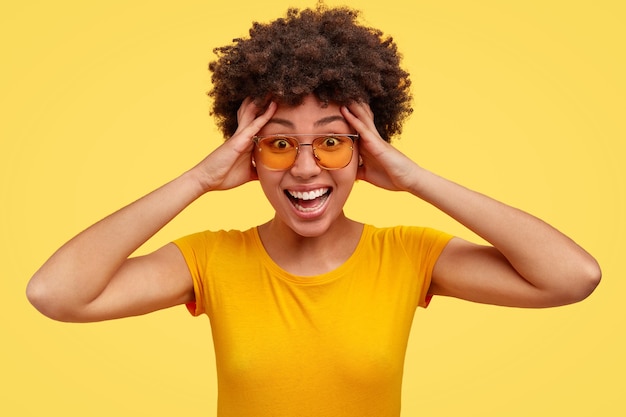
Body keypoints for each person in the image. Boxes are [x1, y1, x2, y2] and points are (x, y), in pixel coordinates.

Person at [26, 4, 601, 417]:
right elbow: (56, 294)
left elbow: (573, 278)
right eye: (279, 143)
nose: (305, 169)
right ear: (248, 154)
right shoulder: (210, 259)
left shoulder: (408, 254)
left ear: (365, 151)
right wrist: (199, 179)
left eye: (331, 142)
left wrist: (415, 178)